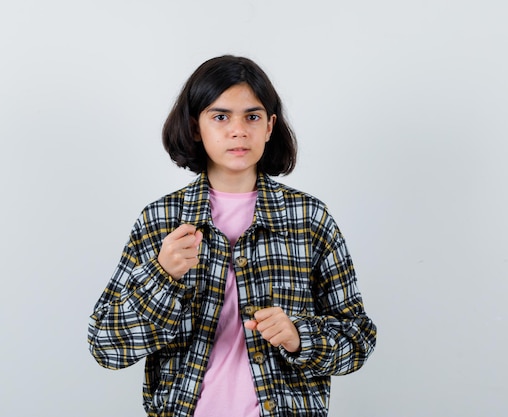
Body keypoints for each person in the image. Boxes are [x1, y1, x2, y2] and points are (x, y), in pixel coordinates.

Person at [88, 55, 377, 417]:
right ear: (196, 127)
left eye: (252, 117)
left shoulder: (309, 218)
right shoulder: (161, 220)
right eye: (220, 116)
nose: (238, 130)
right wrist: (162, 277)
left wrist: (300, 337)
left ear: (270, 127)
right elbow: (106, 347)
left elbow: (358, 336)